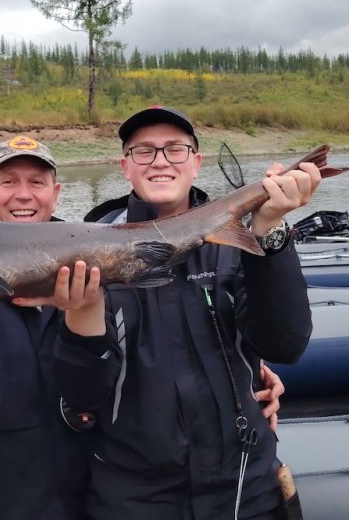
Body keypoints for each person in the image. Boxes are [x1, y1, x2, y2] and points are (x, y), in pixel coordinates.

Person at [0, 134, 286, 520]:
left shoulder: (97, 259)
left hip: (86, 491)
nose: (23, 194)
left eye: (37, 182)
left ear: (56, 192)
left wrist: (245, 379)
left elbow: (151, 354)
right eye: (8, 181)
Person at [54, 106, 319, 520]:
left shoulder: (237, 245)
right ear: (125, 167)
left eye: (175, 149)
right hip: (134, 502)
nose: (160, 161)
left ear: (196, 163)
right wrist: (81, 316)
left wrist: (270, 232)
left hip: (246, 489)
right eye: (144, 151)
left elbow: (284, 344)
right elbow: (83, 396)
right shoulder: (90, 255)